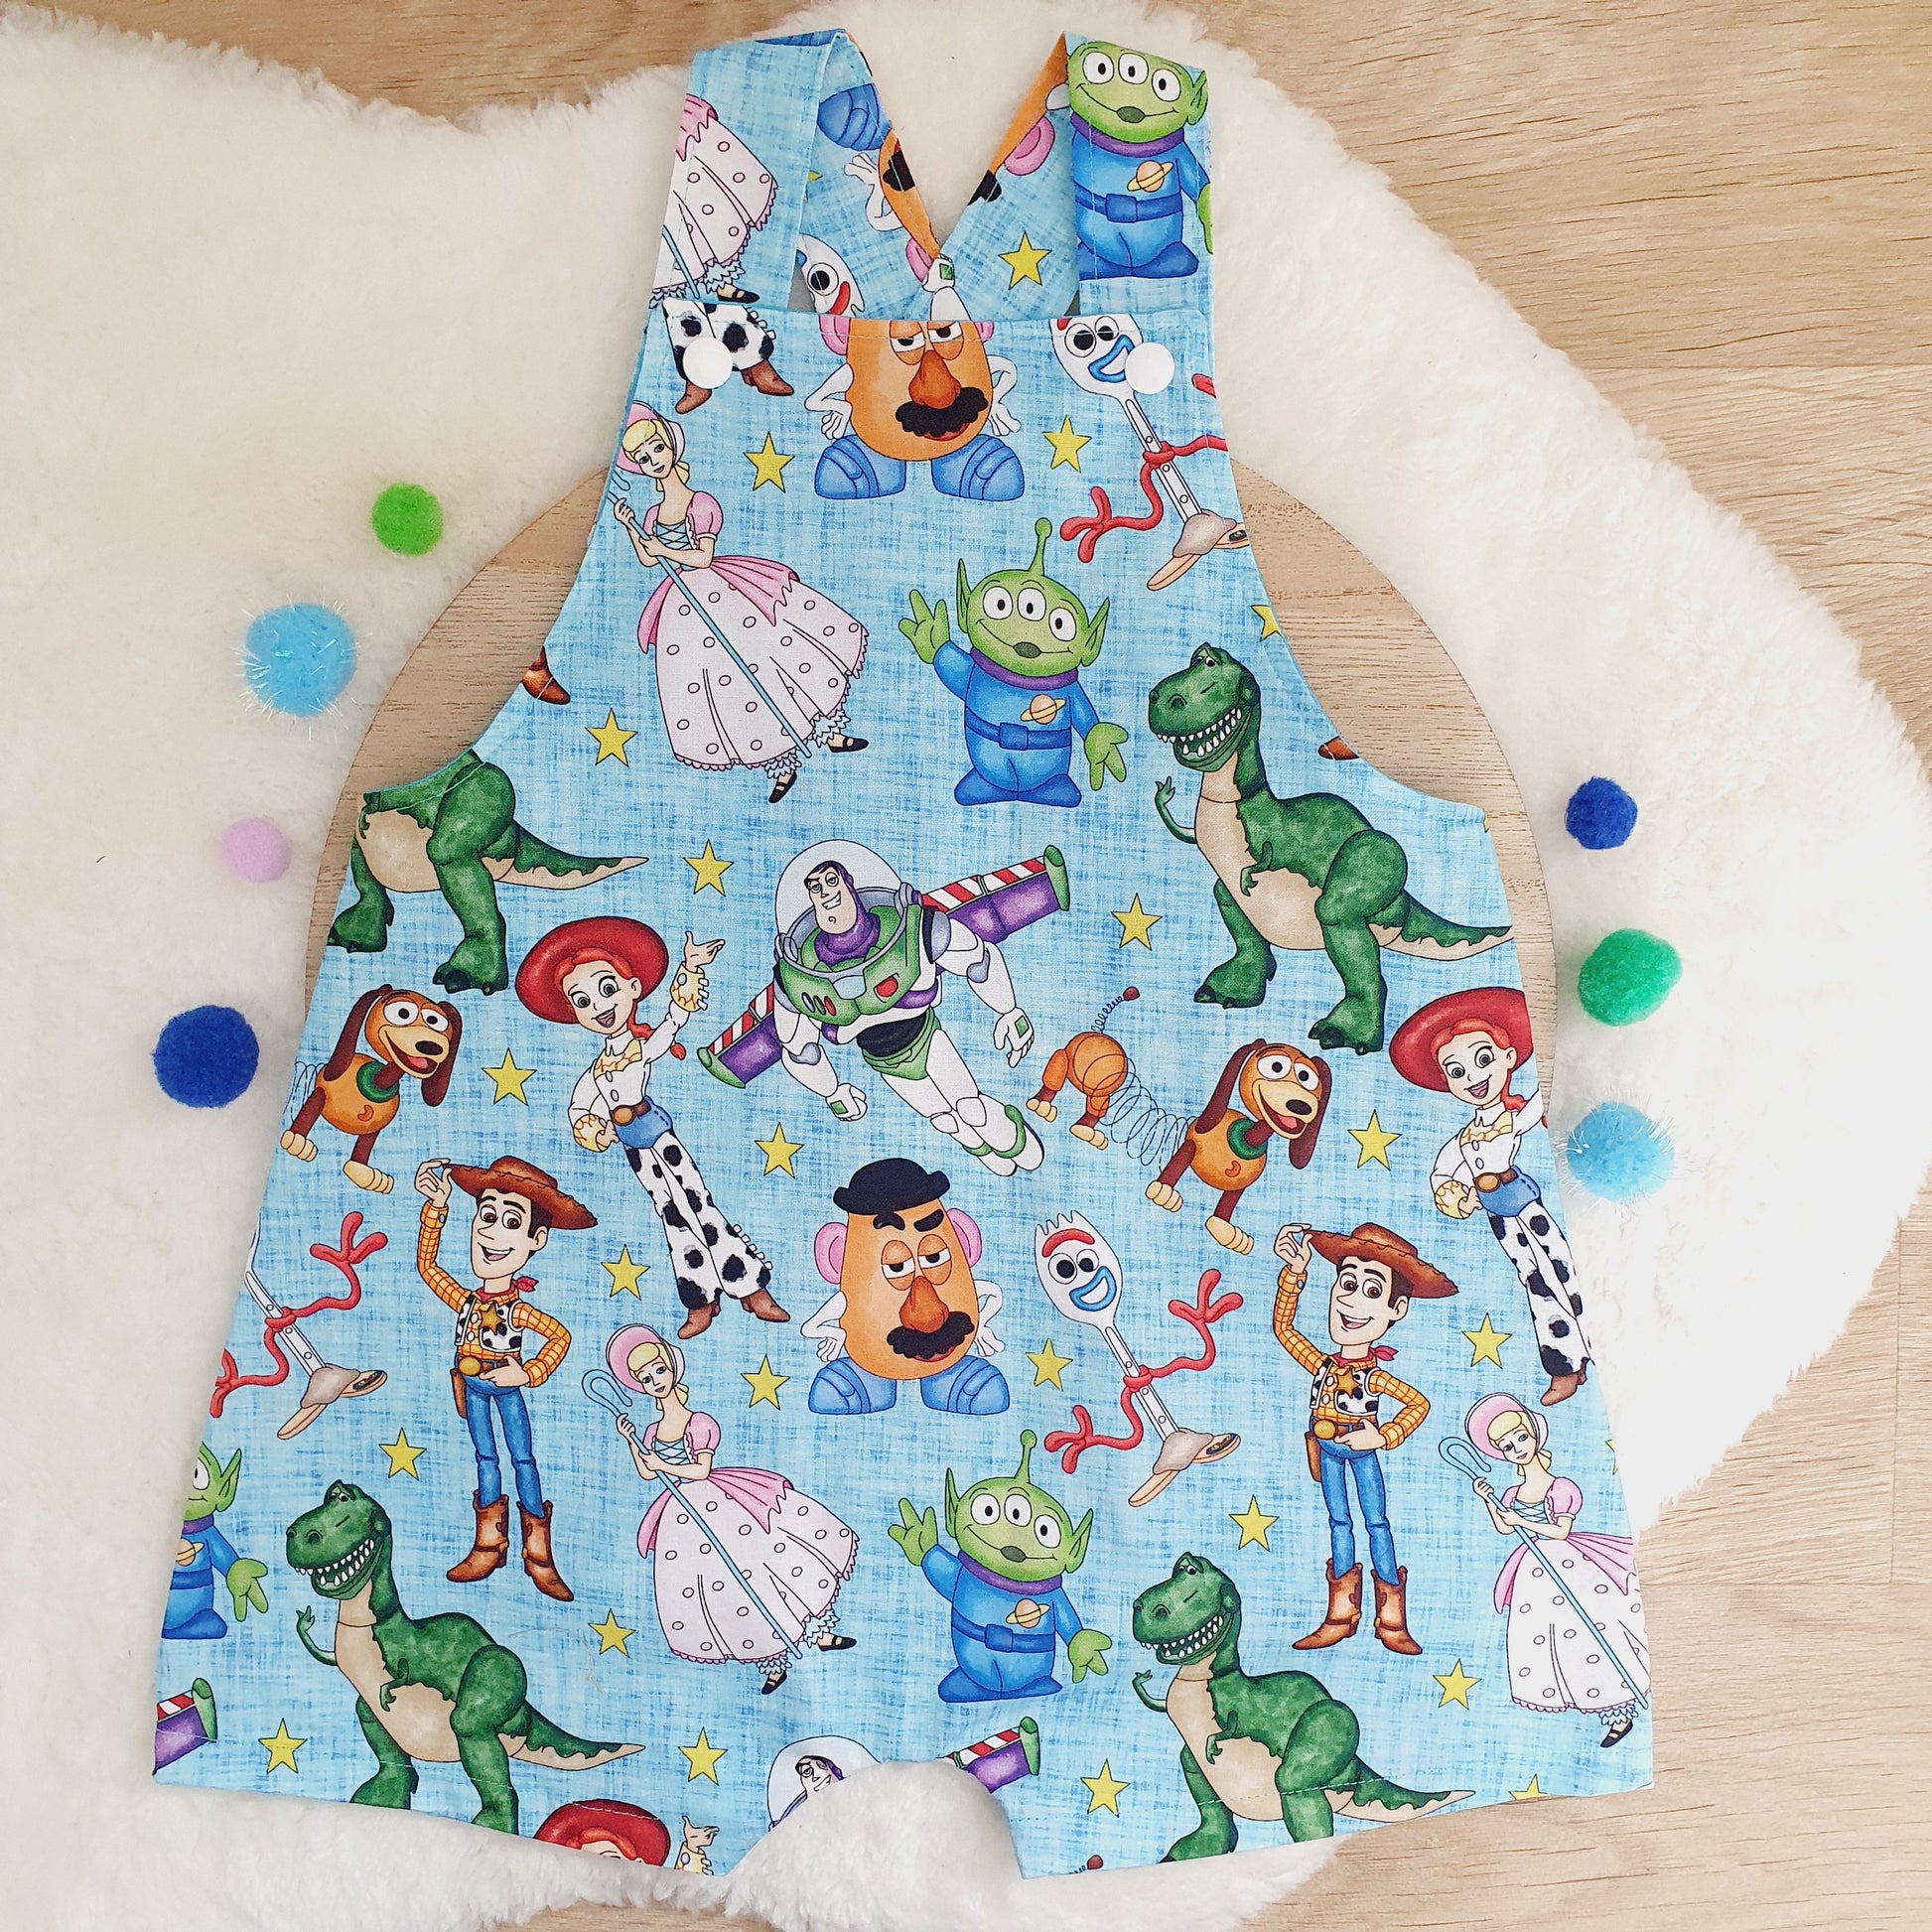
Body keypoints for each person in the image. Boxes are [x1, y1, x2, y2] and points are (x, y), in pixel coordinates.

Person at [514, 914, 785, 1341]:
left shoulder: (639, 1048)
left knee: (698, 1205)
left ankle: (750, 1286)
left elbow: (674, 1021)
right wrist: (592, 1127)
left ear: (633, 988)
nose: (599, 1006)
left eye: (607, 989)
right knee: (672, 1217)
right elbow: (579, 1107)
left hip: (660, 1138)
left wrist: (690, 967)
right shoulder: (597, 1070)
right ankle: (700, 1299)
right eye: (582, 1001)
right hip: (635, 1151)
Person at [611, 402, 868, 803]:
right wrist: (630, 526)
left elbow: (703, 557)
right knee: (726, 685)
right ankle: (781, 763)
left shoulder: (700, 503)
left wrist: (663, 548)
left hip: (720, 592)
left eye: (657, 448)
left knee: (770, 657)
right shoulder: (653, 513)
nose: (654, 460)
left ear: (672, 445)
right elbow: (647, 558)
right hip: (684, 607)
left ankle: (829, 732)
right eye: (643, 458)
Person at [607, 1325, 858, 1694]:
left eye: (658, 1370)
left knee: (763, 1565)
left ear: (672, 1366)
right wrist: (630, 1440)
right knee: (722, 1589)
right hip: (682, 1518)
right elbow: (647, 1472)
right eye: (645, 1378)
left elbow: (700, 1470)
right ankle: (772, 1662)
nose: (655, 1380)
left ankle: (818, 1632)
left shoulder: (698, 1422)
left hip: (717, 1503)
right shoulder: (651, 1431)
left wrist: (662, 1465)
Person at [1390, 987, 1590, 1406]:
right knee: (1536, 1283)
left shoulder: (1512, 1117)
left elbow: (1547, 1097)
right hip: (1500, 1220)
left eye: (1483, 1059)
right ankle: (1565, 1365)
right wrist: (1454, 1195)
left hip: (1528, 1209)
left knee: (1565, 1270)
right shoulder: (1465, 1138)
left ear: (1509, 1057)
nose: (1472, 1077)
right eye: (1456, 1071)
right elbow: (1443, 1174)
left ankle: (1594, 1347)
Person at [1271, 1221, 1457, 1656]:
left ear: (1397, 1309)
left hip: (1360, 1452)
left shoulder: (1373, 1376)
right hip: (1326, 1451)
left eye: (1372, 1291)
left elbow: (1417, 1404)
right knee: (1339, 1521)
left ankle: (1392, 1621)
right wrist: (1295, 1273)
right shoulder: (1323, 1364)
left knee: (1376, 1524)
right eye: (1347, 1283)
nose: (1352, 1301)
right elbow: (1284, 1330)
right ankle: (1340, 1615)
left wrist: (1383, 1435)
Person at [414, 1155, 595, 1601]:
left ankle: (540, 1557)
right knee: (485, 1458)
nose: (491, 1233)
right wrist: (437, 1208)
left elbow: (559, 1336)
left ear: (536, 1239)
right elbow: (428, 1268)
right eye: (487, 1215)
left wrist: (528, 1372)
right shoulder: (466, 1301)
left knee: (523, 1460)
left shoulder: (517, 1309)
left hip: (506, 1388)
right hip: (471, 1388)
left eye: (511, 1222)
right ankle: (488, 1545)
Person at [1463, 1393, 1648, 1747]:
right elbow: (1504, 1527)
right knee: (1552, 1640)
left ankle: (1619, 1709)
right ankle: (1588, 1705)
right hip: (1535, 1573)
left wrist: (1520, 1520)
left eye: (1520, 1437)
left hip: (1568, 1563)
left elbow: (1561, 1530)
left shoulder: (1560, 1487)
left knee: (1593, 1629)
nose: (1517, 1448)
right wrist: (1488, 1500)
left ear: (1534, 1433)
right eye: (1507, 1446)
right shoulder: (1513, 1492)